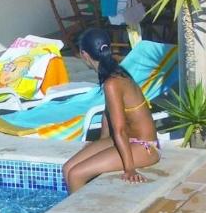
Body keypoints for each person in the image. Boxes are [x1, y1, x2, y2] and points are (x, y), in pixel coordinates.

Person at [63, 28, 160, 193]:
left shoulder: (112, 83)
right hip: (129, 140)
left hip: (145, 147)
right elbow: (109, 117)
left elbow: (120, 129)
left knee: (75, 175)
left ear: (84, 55)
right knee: (67, 168)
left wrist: (129, 169)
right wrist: (99, 144)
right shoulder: (115, 72)